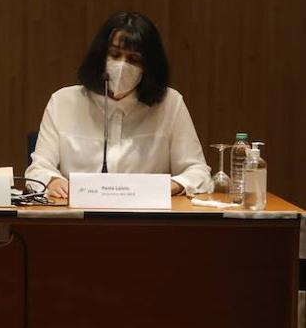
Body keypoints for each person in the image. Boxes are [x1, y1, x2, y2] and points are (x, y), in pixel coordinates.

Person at [25, 11, 212, 200]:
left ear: (149, 66)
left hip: (147, 221)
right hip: (78, 219)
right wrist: (53, 181)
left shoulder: (170, 104)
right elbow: (38, 169)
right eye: (114, 54)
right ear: (100, 56)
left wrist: (169, 186)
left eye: (134, 59)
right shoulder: (63, 102)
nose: (122, 65)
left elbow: (199, 173)